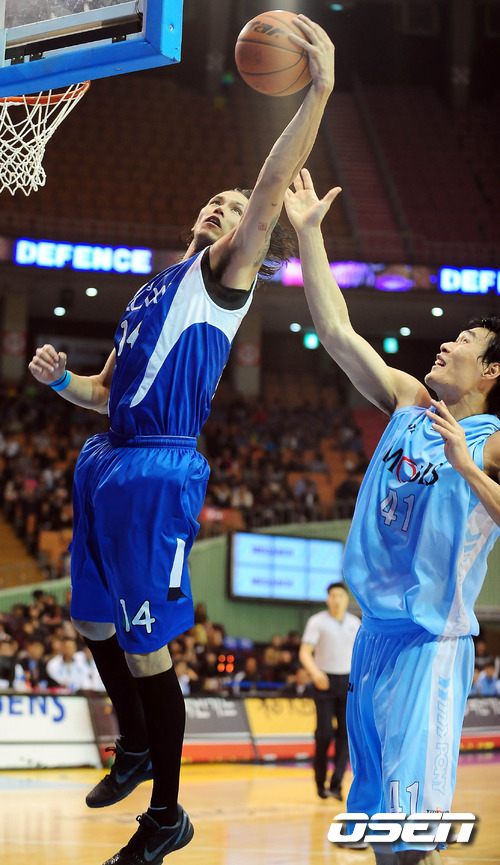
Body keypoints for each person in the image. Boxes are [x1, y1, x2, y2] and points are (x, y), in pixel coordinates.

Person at [27, 20, 335, 865]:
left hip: (158, 468)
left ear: (252, 241)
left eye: (234, 208)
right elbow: (102, 393)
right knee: (89, 618)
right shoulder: (152, 289)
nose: (222, 207)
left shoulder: (225, 280)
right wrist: (60, 380)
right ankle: (133, 745)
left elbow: (268, 187)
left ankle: (167, 812)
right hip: (107, 455)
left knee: (144, 644)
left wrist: (317, 91)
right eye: (217, 201)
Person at [284, 168, 500, 863]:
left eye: (463, 340)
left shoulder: (490, 439)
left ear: (490, 371)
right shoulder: (408, 402)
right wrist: (309, 235)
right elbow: (337, 330)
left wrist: (469, 469)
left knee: (411, 837)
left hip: (430, 645)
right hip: (374, 642)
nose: (446, 343)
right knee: (380, 825)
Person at [299, 582, 360, 801]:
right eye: (332, 596)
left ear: (346, 599)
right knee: (324, 734)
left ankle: (337, 785)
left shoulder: (355, 623)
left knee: (345, 735)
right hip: (324, 682)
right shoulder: (317, 622)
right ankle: (320, 783)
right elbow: (304, 652)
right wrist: (315, 672)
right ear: (327, 599)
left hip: (348, 682)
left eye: (340, 596)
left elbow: (360, 655)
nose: (336, 600)